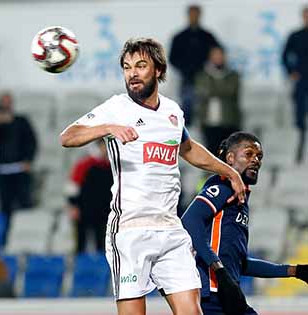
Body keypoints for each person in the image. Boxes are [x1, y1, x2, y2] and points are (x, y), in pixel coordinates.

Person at [60, 38, 246, 315]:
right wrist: (107, 127)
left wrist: (229, 171)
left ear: (158, 69)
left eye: (140, 65)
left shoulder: (172, 111)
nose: (132, 73)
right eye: (126, 67)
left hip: (170, 228)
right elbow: (68, 137)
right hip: (130, 230)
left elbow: (188, 148)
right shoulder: (116, 108)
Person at [181, 132, 308, 314]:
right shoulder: (223, 185)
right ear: (230, 158)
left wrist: (294, 271)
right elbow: (190, 221)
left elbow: (238, 262)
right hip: (211, 294)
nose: (256, 160)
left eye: (259, 156)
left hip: (227, 292)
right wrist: (219, 269)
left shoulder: (240, 201)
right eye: (248, 154)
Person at [169, 4, 220, 126]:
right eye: (192, 14)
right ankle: (186, 135)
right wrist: (185, 69)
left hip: (206, 79)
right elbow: (172, 58)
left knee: (206, 107)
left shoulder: (207, 36)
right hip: (187, 79)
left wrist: (208, 68)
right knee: (187, 106)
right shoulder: (180, 37)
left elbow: (218, 53)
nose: (194, 17)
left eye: (196, 14)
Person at [0, 92, 37, 217]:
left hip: (20, 168)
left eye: (8, 102)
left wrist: (29, 160)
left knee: (24, 203)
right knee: (5, 206)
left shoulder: (21, 121)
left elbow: (32, 141)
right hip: (3, 169)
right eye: (4, 102)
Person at [194, 46, 242, 153]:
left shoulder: (233, 75)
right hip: (208, 122)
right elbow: (202, 91)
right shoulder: (202, 75)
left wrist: (212, 90)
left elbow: (230, 90)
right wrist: (221, 89)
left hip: (229, 122)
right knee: (211, 154)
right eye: (215, 55)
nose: (218, 58)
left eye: (220, 55)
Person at [67, 141, 112, 254]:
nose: (104, 150)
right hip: (84, 209)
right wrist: (73, 206)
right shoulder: (85, 164)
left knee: (102, 242)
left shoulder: (110, 166)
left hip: (104, 210)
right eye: (103, 147)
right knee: (81, 242)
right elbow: (73, 186)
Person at [282, 6, 308, 164]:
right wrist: (291, 71)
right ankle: (300, 135)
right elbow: (285, 55)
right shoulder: (296, 35)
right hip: (302, 78)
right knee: (299, 110)